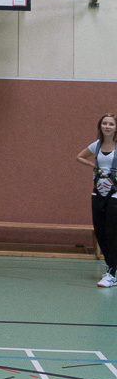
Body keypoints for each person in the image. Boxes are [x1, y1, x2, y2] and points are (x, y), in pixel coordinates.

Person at [76, 113, 117, 288]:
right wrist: (93, 165)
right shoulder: (97, 145)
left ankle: (112, 272)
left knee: (111, 231)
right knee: (99, 230)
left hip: (115, 195)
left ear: (116, 127)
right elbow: (79, 156)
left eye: (111, 124)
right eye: (104, 123)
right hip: (98, 192)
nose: (107, 126)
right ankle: (111, 266)